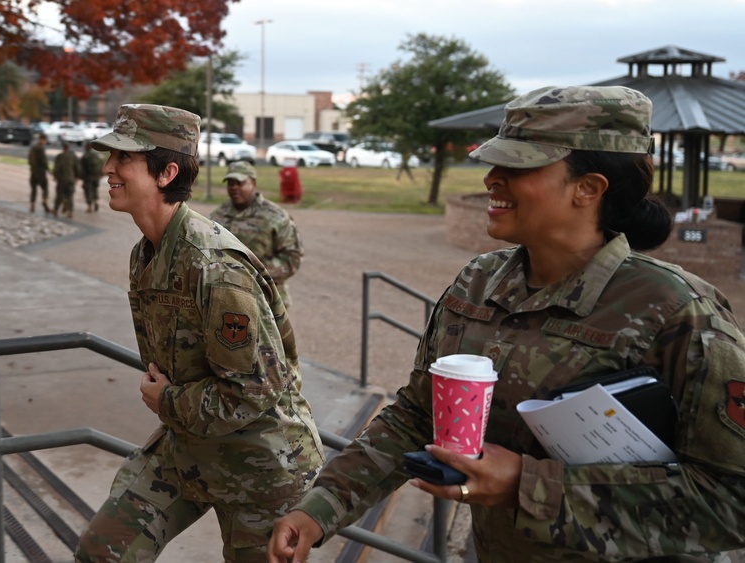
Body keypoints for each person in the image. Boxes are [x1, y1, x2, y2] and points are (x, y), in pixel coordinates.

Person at [269, 86, 745, 562]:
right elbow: (418, 416)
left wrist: (527, 485)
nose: (492, 179)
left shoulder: (677, 310)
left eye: (519, 167)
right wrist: (321, 507)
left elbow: (730, 500)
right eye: (496, 163)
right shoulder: (477, 283)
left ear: (589, 188)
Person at [75, 104, 324, 563]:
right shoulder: (145, 252)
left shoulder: (215, 267)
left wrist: (166, 401)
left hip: (262, 463)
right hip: (189, 444)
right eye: (109, 156)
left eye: (123, 158)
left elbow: (255, 391)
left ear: (167, 172)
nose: (107, 167)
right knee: (102, 552)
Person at [209, 161, 303, 308]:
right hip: (227, 301)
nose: (234, 188)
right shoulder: (217, 216)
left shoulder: (276, 216)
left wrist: (254, 272)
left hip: (268, 302)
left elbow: (292, 259)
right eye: (230, 183)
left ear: (253, 183)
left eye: (240, 183)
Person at [52, 138, 81, 218]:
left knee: (59, 195)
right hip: (70, 179)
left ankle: (55, 210)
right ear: (69, 147)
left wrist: (55, 175)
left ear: (63, 148)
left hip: (61, 180)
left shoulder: (60, 156)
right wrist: (77, 177)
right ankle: (70, 212)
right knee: (70, 196)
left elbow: (56, 168)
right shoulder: (73, 157)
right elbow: (77, 168)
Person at [28, 132, 50, 214]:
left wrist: (31, 166)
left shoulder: (33, 147)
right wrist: (48, 169)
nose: (45, 142)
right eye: (44, 140)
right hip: (40, 171)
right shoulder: (41, 148)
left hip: (33, 170)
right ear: (42, 139)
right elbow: (44, 160)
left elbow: (29, 158)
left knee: (33, 188)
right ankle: (45, 201)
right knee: (45, 187)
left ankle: (32, 204)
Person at [79, 140, 102, 213]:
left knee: (88, 191)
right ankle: (95, 202)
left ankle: (89, 206)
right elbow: (101, 164)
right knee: (95, 189)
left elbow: (81, 166)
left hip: (88, 176)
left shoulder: (86, 155)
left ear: (87, 147)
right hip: (96, 176)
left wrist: (80, 176)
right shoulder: (96, 154)